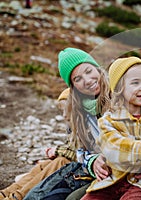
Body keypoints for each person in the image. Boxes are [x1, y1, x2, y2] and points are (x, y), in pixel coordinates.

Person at [81, 56, 141, 200]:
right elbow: (112, 148)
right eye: (135, 83)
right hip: (111, 180)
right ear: (119, 88)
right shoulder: (108, 120)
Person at [22, 47, 112, 200]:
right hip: (93, 172)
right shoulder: (79, 112)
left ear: (97, 68)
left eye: (89, 71)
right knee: (34, 196)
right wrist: (92, 162)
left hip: (118, 173)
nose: (87, 80)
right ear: (73, 86)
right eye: (77, 79)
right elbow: (81, 151)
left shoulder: (120, 95)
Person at [0, 88, 75, 200]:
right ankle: (6, 193)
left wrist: (58, 151)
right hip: (74, 164)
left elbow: (78, 153)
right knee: (42, 166)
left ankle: (16, 197)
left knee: (60, 162)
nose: (64, 115)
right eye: (62, 111)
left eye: (67, 111)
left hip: (81, 169)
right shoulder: (73, 127)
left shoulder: (88, 127)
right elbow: (71, 147)